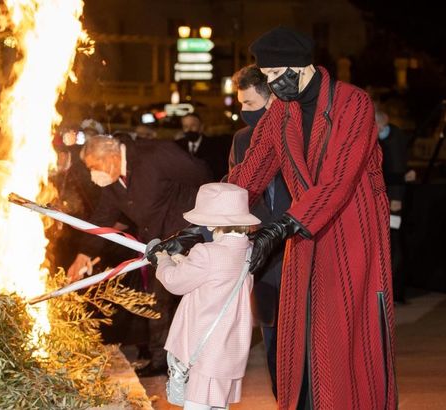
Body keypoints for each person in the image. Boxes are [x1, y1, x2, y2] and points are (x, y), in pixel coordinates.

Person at [150, 26, 397, 409]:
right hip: (302, 228)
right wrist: (199, 229)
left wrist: (281, 227)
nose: (269, 83)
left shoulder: (353, 103)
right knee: (299, 334)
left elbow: (339, 179)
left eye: (272, 75)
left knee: (342, 331)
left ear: (300, 67)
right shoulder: (282, 111)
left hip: (351, 230)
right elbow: (251, 172)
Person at [68, 134, 212, 376]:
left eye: (94, 166)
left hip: (189, 236)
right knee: (157, 302)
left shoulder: (155, 155)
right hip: (159, 246)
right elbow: (102, 219)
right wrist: (84, 253)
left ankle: (205, 358)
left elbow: (202, 175)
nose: (93, 175)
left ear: (111, 157)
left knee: (197, 301)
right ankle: (161, 360)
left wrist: (201, 223)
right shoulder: (114, 182)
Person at [152, 183, 259, 410]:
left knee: (196, 405)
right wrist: (183, 260)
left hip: (203, 351)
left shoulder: (206, 253)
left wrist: (161, 259)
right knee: (218, 407)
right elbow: (215, 277)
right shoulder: (247, 251)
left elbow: (174, 281)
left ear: (211, 222)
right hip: (228, 350)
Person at [228, 64, 292, 398]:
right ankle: (282, 398)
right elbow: (236, 194)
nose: (243, 113)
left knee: (304, 342)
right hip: (263, 260)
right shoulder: (240, 141)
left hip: (298, 249)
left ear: (271, 100)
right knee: (272, 342)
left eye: (250, 105)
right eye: (240, 105)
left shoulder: (295, 134)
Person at [375, 103, 409, 304]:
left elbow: (398, 171)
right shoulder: (389, 136)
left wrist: (396, 199)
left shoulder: (392, 139)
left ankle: (395, 291)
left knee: (393, 243)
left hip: (393, 203)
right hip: (389, 199)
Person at [176, 113, 230, 181]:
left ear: (201, 127)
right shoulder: (177, 146)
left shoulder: (214, 146)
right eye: (186, 126)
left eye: (193, 125)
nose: (189, 129)